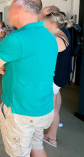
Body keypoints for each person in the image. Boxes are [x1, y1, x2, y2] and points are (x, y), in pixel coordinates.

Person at [0, 0, 58, 157]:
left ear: (18, 9)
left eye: (10, 9)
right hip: (44, 107)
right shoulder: (49, 36)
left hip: (21, 111)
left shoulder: (16, 39)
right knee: (37, 147)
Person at [42, 12, 72, 148]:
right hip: (60, 76)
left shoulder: (56, 39)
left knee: (52, 109)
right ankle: (50, 133)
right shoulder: (63, 32)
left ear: (52, 24)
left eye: (45, 23)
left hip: (55, 78)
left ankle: (51, 137)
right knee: (55, 102)